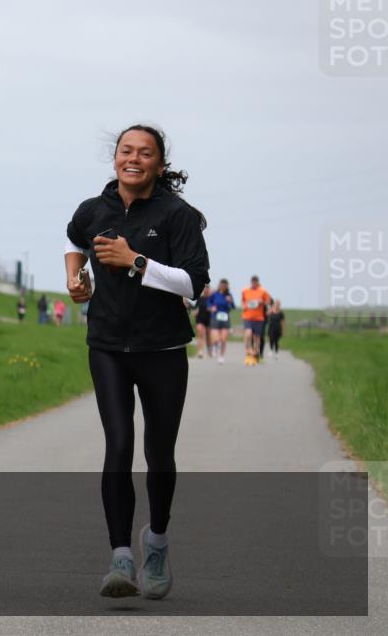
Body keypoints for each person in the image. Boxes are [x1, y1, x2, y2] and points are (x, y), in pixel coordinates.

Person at [64, 124, 209, 600]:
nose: (134, 158)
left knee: (159, 453)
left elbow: (193, 284)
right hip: (107, 345)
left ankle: (158, 542)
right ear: (115, 159)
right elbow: (73, 240)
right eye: (126, 150)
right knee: (119, 445)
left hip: (162, 349)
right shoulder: (93, 210)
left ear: (160, 166)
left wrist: (135, 260)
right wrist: (76, 278)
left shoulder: (178, 215)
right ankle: (121, 557)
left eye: (145, 153)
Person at [241, 275, 271, 366]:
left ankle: (255, 355)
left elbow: (268, 301)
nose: (254, 283)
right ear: (251, 282)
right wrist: (244, 305)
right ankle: (248, 351)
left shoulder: (263, 291)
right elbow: (243, 301)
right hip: (247, 316)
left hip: (258, 318)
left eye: (256, 282)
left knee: (256, 338)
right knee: (248, 333)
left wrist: (262, 302)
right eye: (253, 282)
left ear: (258, 282)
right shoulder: (245, 290)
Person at [206, 279, 236, 364]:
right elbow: (208, 303)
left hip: (225, 318)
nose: (222, 286)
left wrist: (231, 301)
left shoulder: (229, 295)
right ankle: (215, 346)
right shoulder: (215, 294)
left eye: (224, 285)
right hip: (215, 317)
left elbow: (233, 307)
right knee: (216, 338)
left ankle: (221, 356)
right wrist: (211, 307)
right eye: (221, 285)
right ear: (219, 285)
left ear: (227, 286)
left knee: (223, 339)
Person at [193, 284, 212, 358]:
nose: (206, 290)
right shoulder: (200, 298)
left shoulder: (211, 298)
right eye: (205, 288)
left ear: (209, 290)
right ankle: (200, 351)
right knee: (200, 334)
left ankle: (209, 349)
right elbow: (195, 307)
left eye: (207, 288)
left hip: (209, 319)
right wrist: (195, 311)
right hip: (200, 318)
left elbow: (215, 307)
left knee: (208, 336)